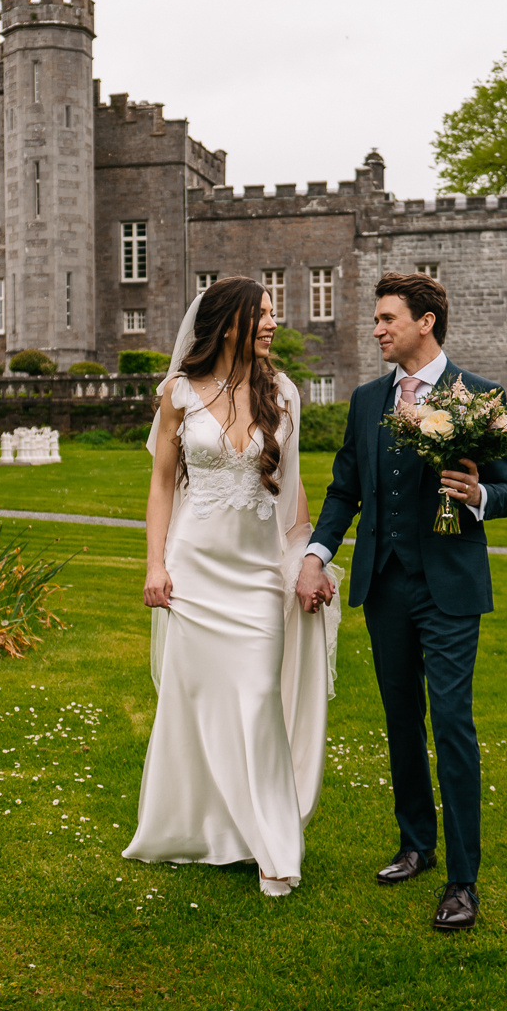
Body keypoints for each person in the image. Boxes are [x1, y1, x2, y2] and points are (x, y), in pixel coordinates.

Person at [296, 272, 507, 931]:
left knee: (451, 723)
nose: (377, 329)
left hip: (449, 589)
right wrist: (318, 553)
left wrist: (477, 496)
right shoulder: (369, 401)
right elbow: (344, 491)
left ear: (425, 321)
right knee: (401, 720)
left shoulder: (477, 396)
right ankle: (415, 844)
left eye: (387, 318)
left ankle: (462, 879)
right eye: (376, 319)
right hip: (385, 583)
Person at [123, 277, 340, 897]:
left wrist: (306, 561)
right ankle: (193, 829)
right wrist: (155, 564)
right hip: (193, 569)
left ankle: (273, 843)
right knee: (193, 704)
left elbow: (294, 487)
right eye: (263, 314)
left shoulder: (285, 395)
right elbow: (162, 485)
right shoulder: (177, 394)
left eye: (275, 311)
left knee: (255, 700)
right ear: (227, 323)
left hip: (253, 578)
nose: (273, 322)